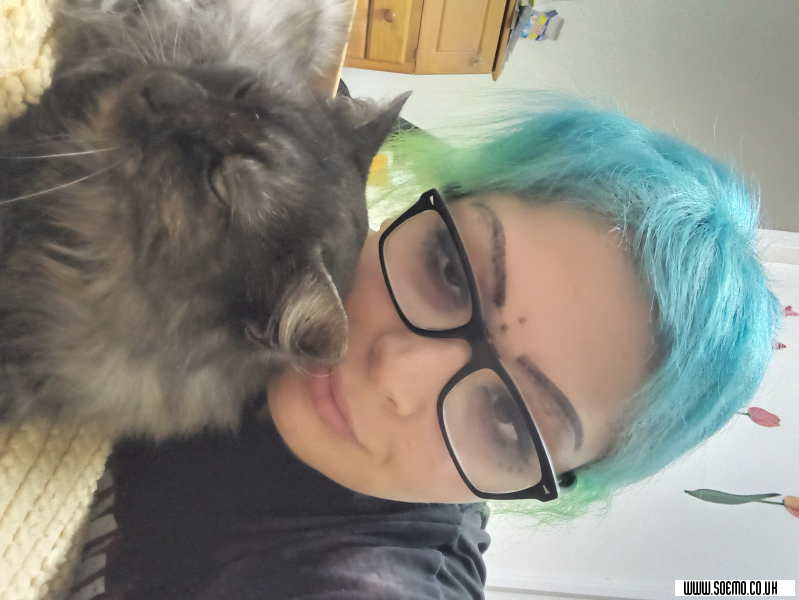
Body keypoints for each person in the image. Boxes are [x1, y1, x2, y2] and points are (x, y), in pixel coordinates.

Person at [69, 95, 780, 599]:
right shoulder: (270, 219)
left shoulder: (370, 575)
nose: (399, 375)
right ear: (426, 201)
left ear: (552, 484)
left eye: (508, 419)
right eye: (450, 273)